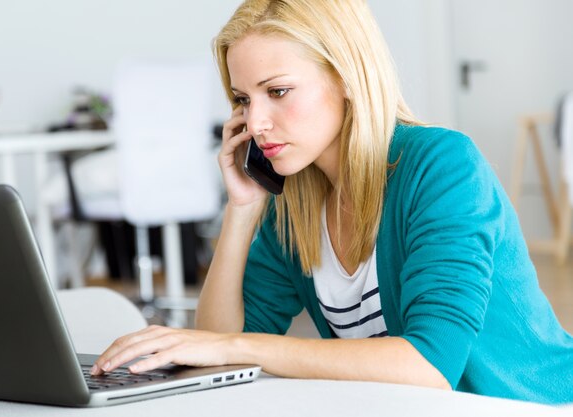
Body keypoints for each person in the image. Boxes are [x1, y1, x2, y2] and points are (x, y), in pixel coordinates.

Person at [91, 0, 573, 404]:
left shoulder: (442, 165)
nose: (255, 123)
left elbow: (428, 364)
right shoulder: (295, 198)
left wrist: (230, 346)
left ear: (346, 76)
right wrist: (241, 212)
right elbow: (224, 347)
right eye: (242, 99)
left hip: (527, 406)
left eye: (277, 91)